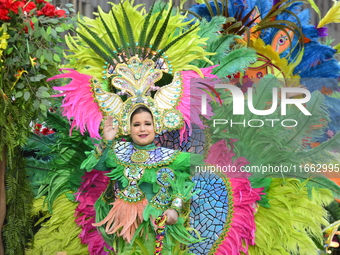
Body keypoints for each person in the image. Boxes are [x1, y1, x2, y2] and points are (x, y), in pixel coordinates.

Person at [80, 105, 201, 254]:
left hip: (159, 225)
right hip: (126, 227)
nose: (142, 129)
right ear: (128, 128)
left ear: (156, 127)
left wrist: (175, 209)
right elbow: (97, 165)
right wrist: (107, 141)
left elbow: (184, 184)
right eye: (136, 125)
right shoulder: (118, 152)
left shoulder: (172, 157)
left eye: (147, 124)